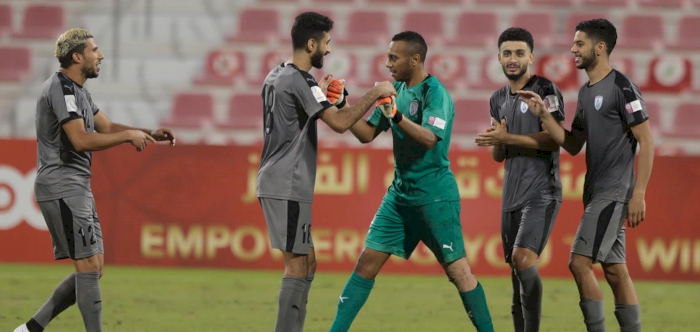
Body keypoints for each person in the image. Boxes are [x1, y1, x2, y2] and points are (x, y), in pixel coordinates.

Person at [328, 31, 494, 332]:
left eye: (394, 57)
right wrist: (342, 105)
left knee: (459, 273)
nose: (388, 63)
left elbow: (431, 138)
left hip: (435, 197)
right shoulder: (395, 91)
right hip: (400, 196)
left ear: (414, 59)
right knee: (367, 262)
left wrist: (398, 117)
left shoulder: (435, 93)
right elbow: (366, 134)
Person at [15, 28, 176, 332]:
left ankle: (31, 328)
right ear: (77, 56)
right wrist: (127, 137)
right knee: (87, 266)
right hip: (61, 183)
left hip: (77, 185)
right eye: (95, 50)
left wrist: (147, 132)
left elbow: (107, 126)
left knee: (95, 267)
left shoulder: (79, 91)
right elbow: (80, 139)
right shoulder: (60, 89)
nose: (100, 55)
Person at [256, 12, 396, 332]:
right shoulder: (300, 80)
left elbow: (300, 113)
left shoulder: (277, 75)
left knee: (308, 263)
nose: (328, 50)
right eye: (326, 43)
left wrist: (320, 93)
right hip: (286, 182)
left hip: (282, 180)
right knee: (296, 265)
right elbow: (340, 123)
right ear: (311, 43)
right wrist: (374, 94)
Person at [517, 18, 654, 332]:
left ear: (600, 47)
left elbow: (646, 140)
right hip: (597, 192)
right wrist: (544, 116)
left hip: (614, 192)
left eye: (580, 44)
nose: (573, 49)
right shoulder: (586, 91)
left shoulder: (622, 87)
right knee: (615, 269)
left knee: (578, 263)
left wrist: (639, 193)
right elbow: (573, 144)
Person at [474, 27, 565, 332]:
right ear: (498, 57)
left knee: (524, 259)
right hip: (511, 194)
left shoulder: (546, 90)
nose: (513, 59)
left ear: (531, 57)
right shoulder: (497, 98)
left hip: (542, 191)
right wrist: (496, 139)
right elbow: (499, 155)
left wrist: (508, 136)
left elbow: (555, 139)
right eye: (507, 53)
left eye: (519, 53)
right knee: (516, 273)